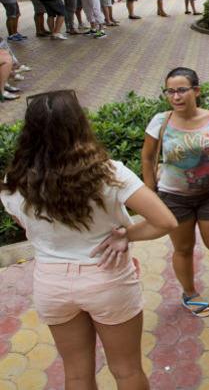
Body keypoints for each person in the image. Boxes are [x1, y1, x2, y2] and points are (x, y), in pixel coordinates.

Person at [0, 89, 177, 389]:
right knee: (127, 371)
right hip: (106, 277)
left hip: (51, 284)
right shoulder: (108, 173)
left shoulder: (13, 182)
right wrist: (125, 234)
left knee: (77, 374)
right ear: (79, 124)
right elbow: (165, 221)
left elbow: (28, 227)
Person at [140, 67, 209, 317]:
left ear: (196, 91)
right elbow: (147, 159)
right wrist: (150, 193)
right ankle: (189, 293)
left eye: (182, 90)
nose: (176, 97)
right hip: (174, 197)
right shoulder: (160, 121)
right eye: (171, 91)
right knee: (184, 248)